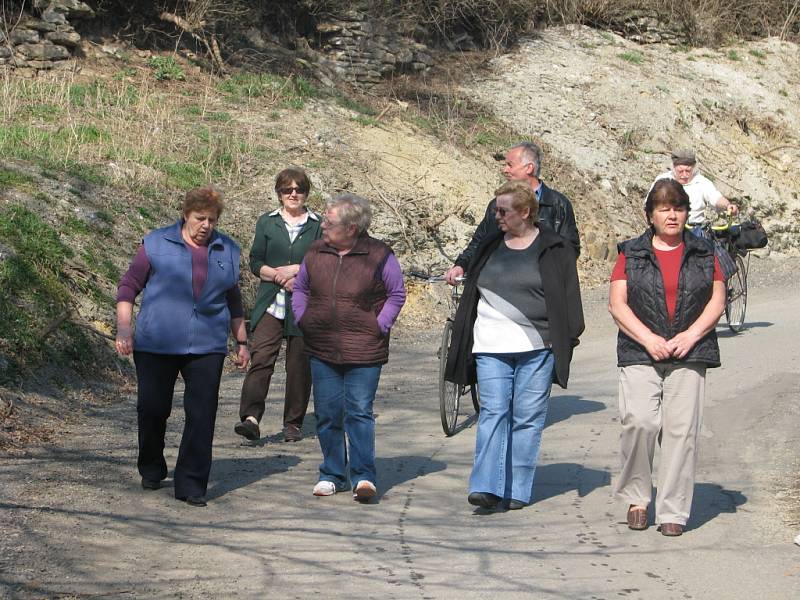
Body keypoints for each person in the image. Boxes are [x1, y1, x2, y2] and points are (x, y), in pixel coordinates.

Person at [445, 180, 584, 510]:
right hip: (491, 344)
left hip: (538, 347)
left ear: (525, 212)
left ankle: (517, 488)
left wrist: (565, 340)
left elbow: (570, 302)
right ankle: (486, 486)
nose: (497, 216)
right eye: (495, 210)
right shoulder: (490, 245)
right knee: (493, 411)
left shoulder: (555, 248)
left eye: (503, 210)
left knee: (527, 416)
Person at [116, 186, 249, 508]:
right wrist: (124, 328)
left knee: (202, 414)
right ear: (185, 215)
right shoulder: (155, 244)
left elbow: (233, 298)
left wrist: (242, 341)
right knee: (152, 408)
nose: (206, 225)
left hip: (207, 343)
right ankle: (151, 466)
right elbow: (129, 286)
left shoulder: (228, 249)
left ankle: (191, 484)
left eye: (212, 220)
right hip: (157, 341)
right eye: (199, 218)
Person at [609, 179, 726, 536]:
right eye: (663, 208)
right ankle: (637, 498)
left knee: (681, 432)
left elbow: (717, 300)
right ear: (651, 215)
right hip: (640, 350)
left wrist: (691, 335)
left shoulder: (705, 252)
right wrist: (648, 338)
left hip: (690, 352)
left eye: (677, 208)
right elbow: (617, 304)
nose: (671, 214)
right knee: (640, 422)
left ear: (687, 213)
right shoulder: (632, 252)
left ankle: (673, 509)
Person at [292, 193, 406, 502]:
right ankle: (332, 473)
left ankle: (363, 475)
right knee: (327, 414)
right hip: (321, 346)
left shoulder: (380, 254)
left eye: (329, 222)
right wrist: (303, 318)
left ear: (352, 227)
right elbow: (300, 287)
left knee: (358, 412)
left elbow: (396, 294)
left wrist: (378, 325)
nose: (323, 226)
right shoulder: (316, 251)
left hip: (364, 349)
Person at [235, 168, 322, 443]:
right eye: (287, 190)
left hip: (304, 303)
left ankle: (293, 423)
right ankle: (250, 418)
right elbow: (255, 261)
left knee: (299, 365)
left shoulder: (317, 224)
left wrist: (297, 270)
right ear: (279, 194)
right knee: (261, 358)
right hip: (271, 302)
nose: (293, 194)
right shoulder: (267, 222)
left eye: (299, 189)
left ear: (306, 192)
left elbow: (323, 261)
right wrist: (278, 276)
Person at [445, 141, 580, 285]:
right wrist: (461, 266)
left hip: (541, 294)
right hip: (498, 287)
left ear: (529, 168)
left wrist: (540, 273)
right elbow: (479, 242)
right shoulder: (496, 205)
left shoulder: (558, 205)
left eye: (510, 165)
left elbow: (570, 250)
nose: (505, 170)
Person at [650, 149, 738, 233]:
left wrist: (728, 206)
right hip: (665, 228)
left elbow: (716, 198)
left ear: (694, 168)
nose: (684, 175)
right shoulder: (662, 180)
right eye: (680, 171)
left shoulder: (702, 182)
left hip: (694, 230)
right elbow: (649, 204)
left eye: (688, 171)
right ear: (673, 168)